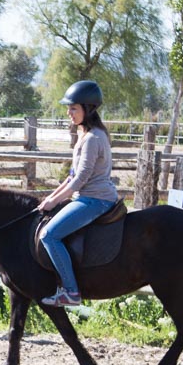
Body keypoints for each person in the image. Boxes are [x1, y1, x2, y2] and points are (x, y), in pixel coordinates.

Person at [36, 80, 119, 308]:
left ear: (88, 109)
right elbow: (71, 177)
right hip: (85, 196)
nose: (68, 113)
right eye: (69, 108)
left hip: (95, 200)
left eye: (73, 108)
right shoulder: (86, 135)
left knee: (48, 235)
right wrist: (50, 198)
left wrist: (54, 201)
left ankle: (71, 291)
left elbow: (81, 180)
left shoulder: (93, 139)